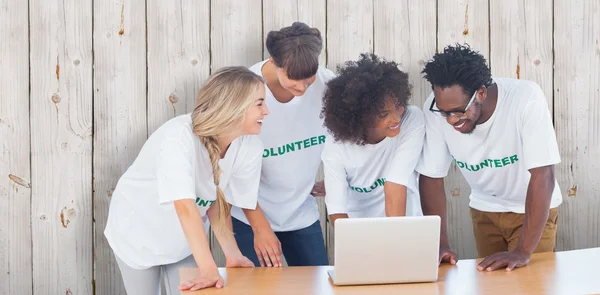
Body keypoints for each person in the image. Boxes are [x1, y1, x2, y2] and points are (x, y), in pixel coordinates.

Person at [104, 66, 269, 294]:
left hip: (181, 243)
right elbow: (185, 207)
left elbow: (217, 203)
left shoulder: (249, 146)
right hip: (137, 234)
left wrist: (233, 255)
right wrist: (210, 269)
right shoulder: (178, 137)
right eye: (259, 104)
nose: (267, 111)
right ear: (234, 105)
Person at [416, 44, 562, 272]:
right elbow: (431, 177)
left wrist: (523, 251)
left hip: (532, 211)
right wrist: (440, 243)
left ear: (481, 93)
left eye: (458, 111)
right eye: (444, 113)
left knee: (529, 285)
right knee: (491, 286)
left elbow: (544, 175)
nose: (450, 120)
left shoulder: (525, 98)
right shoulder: (435, 108)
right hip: (485, 211)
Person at [229, 22, 335, 268]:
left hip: (302, 213)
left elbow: (348, 135)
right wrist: (261, 228)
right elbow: (229, 169)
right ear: (273, 61)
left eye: (308, 80)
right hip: (250, 214)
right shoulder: (242, 91)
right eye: (293, 79)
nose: (302, 87)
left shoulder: (327, 84)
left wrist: (338, 177)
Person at [319, 53, 425, 224]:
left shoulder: (411, 119)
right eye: (384, 114)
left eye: (398, 106)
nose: (396, 118)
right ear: (360, 116)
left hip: (405, 226)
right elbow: (337, 211)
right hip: (361, 231)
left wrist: (399, 243)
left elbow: (395, 184)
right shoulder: (335, 146)